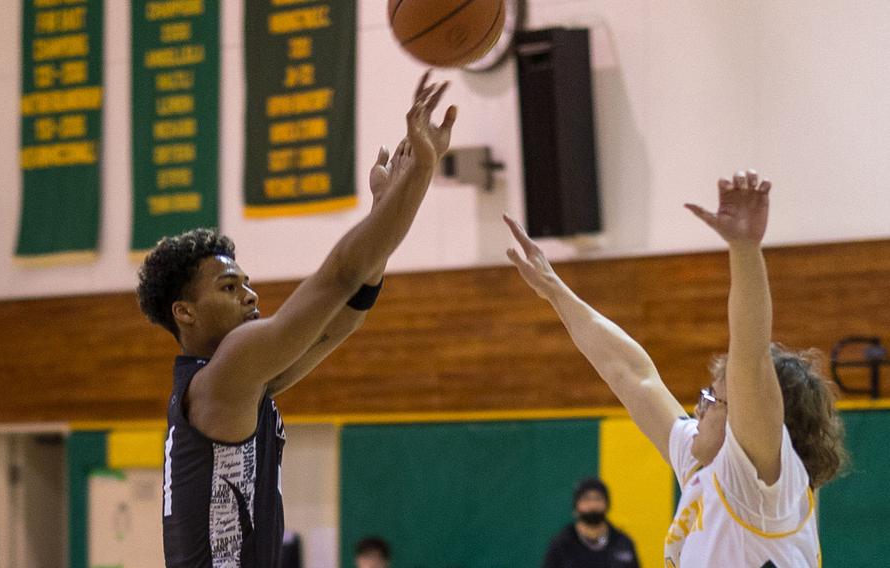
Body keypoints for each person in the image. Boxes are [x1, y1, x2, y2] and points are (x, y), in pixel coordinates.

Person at [136, 72, 456, 567]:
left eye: (245, 282)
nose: (250, 294)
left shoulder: (236, 383)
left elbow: (342, 318)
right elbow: (338, 277)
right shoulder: (227, 371)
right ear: (185, 312)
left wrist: (384, 210)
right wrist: (417, 177)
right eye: (229, 287)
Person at [505, 170, 847, 567]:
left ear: (751, 418)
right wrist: (555, 292)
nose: (699, 408)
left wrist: (744, 250)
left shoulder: (763, 486)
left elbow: (750, 359)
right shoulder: (706, 462)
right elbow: (632, 374)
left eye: (713, 400)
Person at [542, 477, 640, 568]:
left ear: (607, 504)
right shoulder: (561, 544)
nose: (593, 505)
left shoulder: (623, 543)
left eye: (598, 498)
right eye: (586, 499)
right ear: (576, 506)